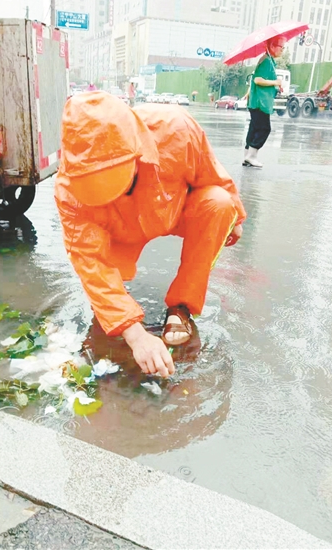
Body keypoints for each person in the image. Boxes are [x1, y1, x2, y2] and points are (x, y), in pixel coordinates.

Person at [54, 91, 246, 378]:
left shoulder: (175, 128)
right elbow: (90, 261)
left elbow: (212, 175)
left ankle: (180, 307)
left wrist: (236, 216)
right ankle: (119, 315)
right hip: (119, 229)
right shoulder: (70, 191)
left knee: (219, 203)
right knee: (110, 304)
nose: (110, 191)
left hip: (172, 208)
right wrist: (136, 335)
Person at [243, 36, 285, 168]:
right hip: (260, 103)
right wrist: (275, 82)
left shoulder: (268, 60)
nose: (282, 50)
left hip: (258, 101)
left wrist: (250, 92)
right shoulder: (266, 61)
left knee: (254, 128)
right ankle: (251, 157)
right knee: (264, 128)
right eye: (281, 47)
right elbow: (257, 80)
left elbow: (255, 78)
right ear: (272, 46)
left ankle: (247, 156)